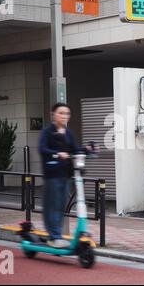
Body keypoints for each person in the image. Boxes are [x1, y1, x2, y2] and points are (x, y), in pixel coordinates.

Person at [38, 103, 94, 249]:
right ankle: (54, 236)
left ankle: (57, 235)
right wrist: (57, 154)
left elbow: (74, 149)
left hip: (66, 174)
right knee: (52, 205)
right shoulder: (47, 132)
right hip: (52, 174)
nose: (64, 116)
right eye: (61, 113)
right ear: (53, 115)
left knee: (61, 205)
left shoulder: (68, 133)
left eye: (67, 113)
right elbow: (42, 148)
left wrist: (87, 149)